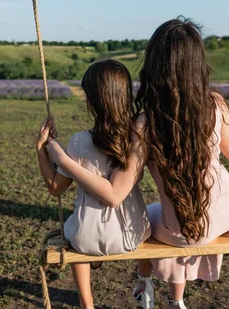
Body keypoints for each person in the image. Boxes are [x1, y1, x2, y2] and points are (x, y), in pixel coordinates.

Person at [47, 18, 229, 309]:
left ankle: (145, 283)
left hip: (178, 233)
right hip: (221, 218)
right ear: (198, 63)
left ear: (154, 65)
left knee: (151, 217)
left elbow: (116, 193)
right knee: (180, 212)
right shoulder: (215, 104)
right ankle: (176, 299)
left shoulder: (145, 123)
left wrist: (62, 158)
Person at [36, 59, 151, 309]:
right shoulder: (136, 136)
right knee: (151, 213)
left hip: (89, 237)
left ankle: (86, 301)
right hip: (134, 233)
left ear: (92, 101)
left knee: (77, 224)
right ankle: (146, 281)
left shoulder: (79, 142)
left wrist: (41, 150)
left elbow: (55, 188)